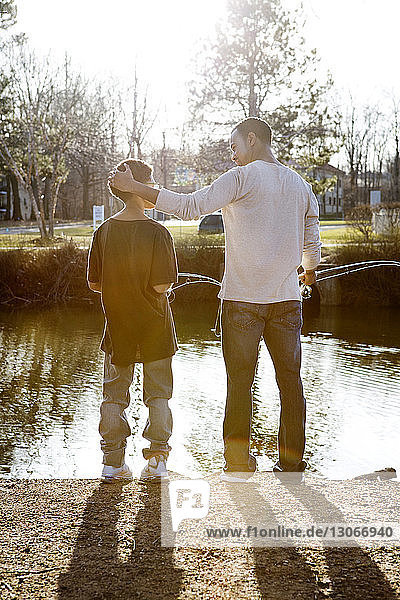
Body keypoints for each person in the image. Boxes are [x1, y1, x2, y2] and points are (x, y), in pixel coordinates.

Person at [109, 118, 321, 483]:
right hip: (287, 302)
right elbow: (312, 250)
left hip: (240, 302)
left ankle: (238, 465)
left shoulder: (239, 178)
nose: (232, 152)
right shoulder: (301, 186)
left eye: (233, 145)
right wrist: (307, 272)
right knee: (291, 382)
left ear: (251, 139)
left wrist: (134, 187)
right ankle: (291, 465)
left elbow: (191, 207)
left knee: (239, 382)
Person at [87, 158, 178, 483]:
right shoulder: (158, 231)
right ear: (137, 188)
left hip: (118, 328)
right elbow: (161, 285)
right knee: (158, 395)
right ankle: (157, 464)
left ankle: (112, 463)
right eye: (149, 184)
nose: (152, 191)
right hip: (155, 329)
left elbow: (95, 283)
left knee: (113, 395)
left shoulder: (104, 231)